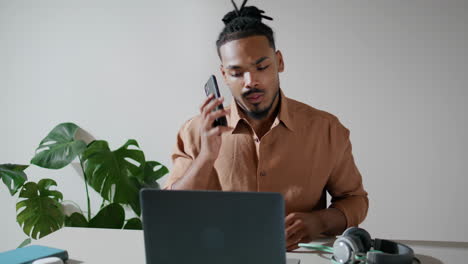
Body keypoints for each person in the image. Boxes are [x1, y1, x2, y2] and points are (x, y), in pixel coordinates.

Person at [164, 0, 368, 251]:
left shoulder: (326, 129)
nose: (251, 81)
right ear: (224, 75)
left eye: (261, 67)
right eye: (237, 73)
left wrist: (318, 221)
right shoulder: (195, 131)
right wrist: (206, 156)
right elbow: (170, 212)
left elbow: (355, 200)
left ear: (279, 61)